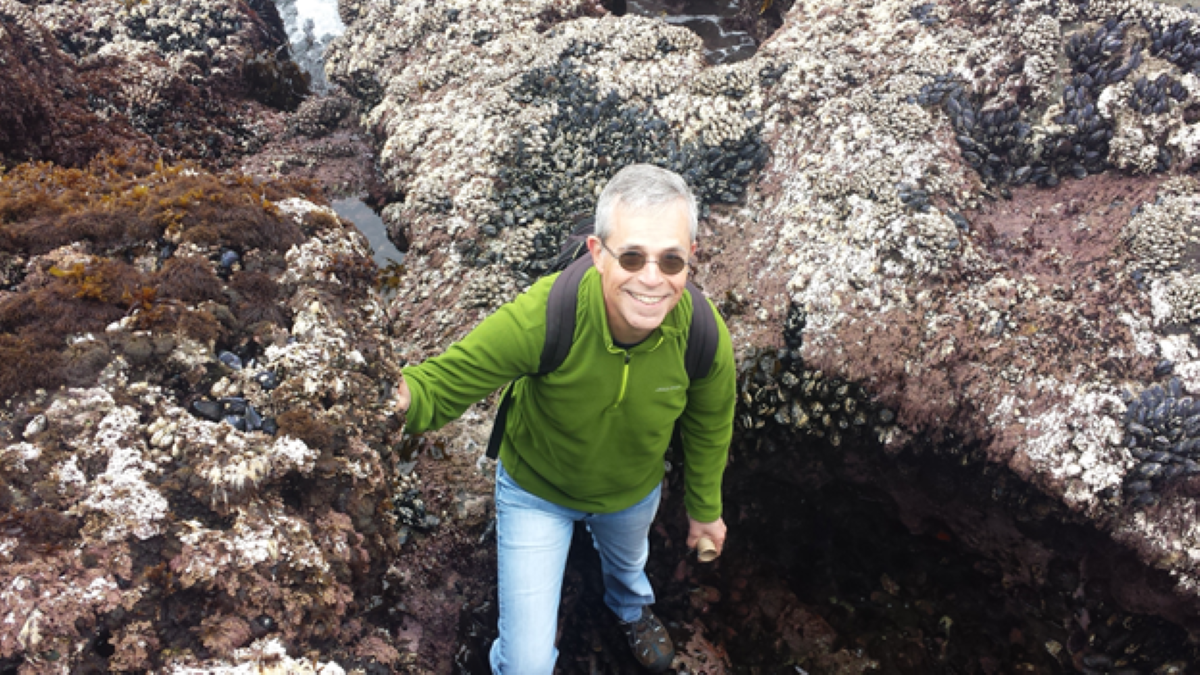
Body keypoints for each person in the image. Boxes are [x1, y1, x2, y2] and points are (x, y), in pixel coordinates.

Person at [393, 163, 736, 674]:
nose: (651, 278)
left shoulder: (705, 337)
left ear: (691, 260)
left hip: (632, 492)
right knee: (526, 665)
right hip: (538, 492)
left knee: (629, 567)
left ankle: (630, 609)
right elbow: (442, 383)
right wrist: (393, 400)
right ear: (598, 253)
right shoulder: (547, 315)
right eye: (632, 255)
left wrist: (705, 509)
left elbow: (710, 425)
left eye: (671, 260)